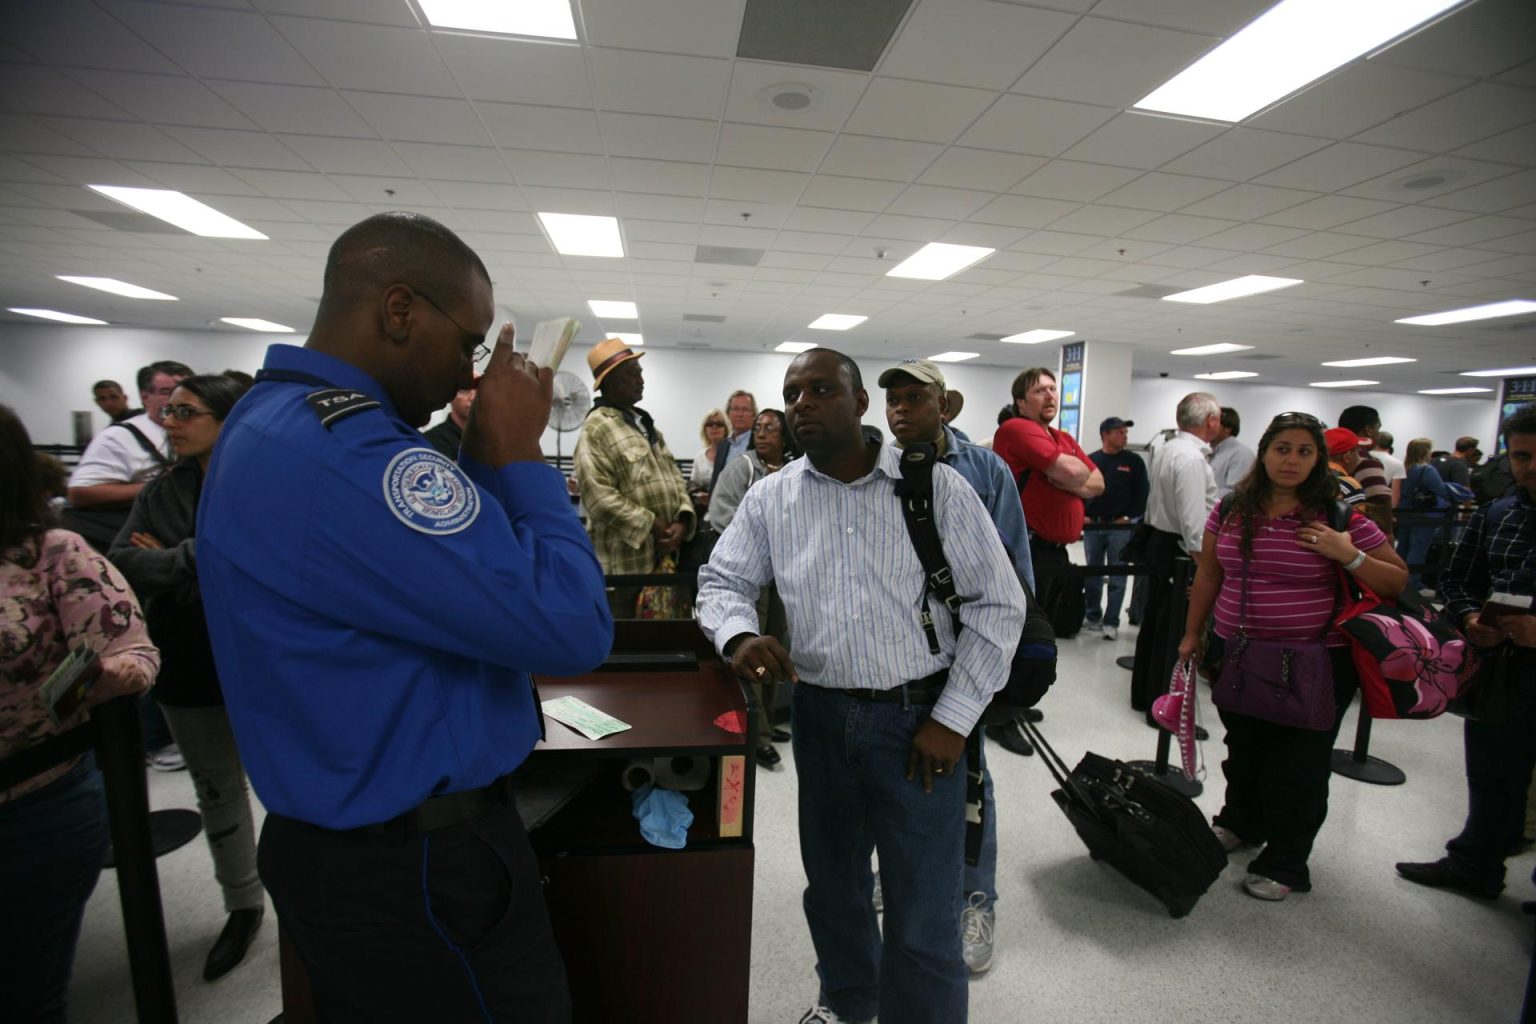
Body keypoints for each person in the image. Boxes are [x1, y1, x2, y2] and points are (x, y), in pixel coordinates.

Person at [196, 212, 613, 1021]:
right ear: (399, 310)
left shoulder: (276, 420)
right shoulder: (353, 457)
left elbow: (439, 587)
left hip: (354, 845)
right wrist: (522, 453)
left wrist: (478, 458)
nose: (471, 367)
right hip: (417, 866)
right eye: (468, 341)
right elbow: (570, 623)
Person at [697, 348, 1025, 1024]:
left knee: (922, 906)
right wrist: (736, 635)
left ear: (860, 403)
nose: (802, 404)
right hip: (819, 718)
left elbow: (999, 604)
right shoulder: (772, 496)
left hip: (917, 722)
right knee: (836, 889)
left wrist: (956, 717)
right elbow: (721, 582)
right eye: (792, 393)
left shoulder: (935, 487)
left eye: (821, 389)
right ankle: (851, 1003)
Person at [1178, 411, 1406, 901]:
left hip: (1315, 661)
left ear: (1319, 459)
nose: (1292, 460)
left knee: (1298, 765)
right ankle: (1241, 822)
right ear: (1264, 453)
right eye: (1283, 448)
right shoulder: (1233, 508)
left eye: (1305, 451)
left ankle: (1286, 859)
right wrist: (1192, 634)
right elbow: (1210, 575)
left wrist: (1347, 554)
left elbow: (1396, 580)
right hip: (1240, 652)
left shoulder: (1338, 516)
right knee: (1245, 750)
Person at [0, 404, 160, 1024]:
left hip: (32, 801)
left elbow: (134, 652)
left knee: (25, 987)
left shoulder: (51, 553)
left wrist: (106, 679)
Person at [109, 373, 267, 983]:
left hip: (261, 659)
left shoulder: (263, 485)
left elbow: (266, 560)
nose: (169, 421)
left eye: (185, 411)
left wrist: (173, 557)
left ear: (227, 420)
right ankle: (242, 904)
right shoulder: (162, 490)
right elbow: (124, 562)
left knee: (283, 784)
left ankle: (298, 892)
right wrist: (199, 556)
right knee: (218, 791)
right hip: (189, 659)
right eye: (166, 410)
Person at [880, 358, 1034, 978]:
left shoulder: (984, 470)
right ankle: (895, 882)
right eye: (892, 401)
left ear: (944, 407)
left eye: (914, 399)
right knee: (894, 778)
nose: (900, 411)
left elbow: (1012, 575)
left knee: (970, 784)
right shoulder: (873, 469)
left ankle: (975, 899)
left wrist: (995, 666)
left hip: (966, 658)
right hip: (896, 662)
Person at [1396, 404, 1536, 902]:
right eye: (1521, 456)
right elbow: (1459, 581)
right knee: (1494, 770)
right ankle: (1476, 864)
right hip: (1505, 668)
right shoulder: (1497, 514)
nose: (1529, 467)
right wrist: (1472, 618)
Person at [68, 359, 193, 772]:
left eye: (186, 398)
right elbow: (82, 492)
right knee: (149, 639)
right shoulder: (124, 441)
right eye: (166, 394)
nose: (175, 409)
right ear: (144, 397)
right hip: (141, 573)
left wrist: (175, 550)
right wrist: (154, 486)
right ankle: (156, 739)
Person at [573, 337, 695, 619]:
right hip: (623, 571)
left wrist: (682, 519)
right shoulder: (597, 428)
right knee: (627, 650)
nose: (641, 379)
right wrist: (651, 523)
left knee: (661, 647)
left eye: (640, 371)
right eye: (632, 374)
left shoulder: (645, 425)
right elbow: (597, 496)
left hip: (662, 562)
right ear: (609, 381)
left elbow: (675, 477)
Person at [707, 408, 799, 768]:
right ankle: (756, 735)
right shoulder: (741, 467)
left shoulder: (795, 470)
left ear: (784, 435)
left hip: (783, 575)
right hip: (751, 575)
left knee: (777, 642)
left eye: (770, 429)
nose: (762, 434)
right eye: (758, 428)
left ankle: (770, 719)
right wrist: (765, 543)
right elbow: (720, 514)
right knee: (755, 645)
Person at [992, 367, 1103, 637]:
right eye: (1039, 391)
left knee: (1044, 629)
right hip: (1028, 549)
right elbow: (1077, 472)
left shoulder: (1060, 437)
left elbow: (1099, 484)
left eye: (1052, 389)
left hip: (1055, 552)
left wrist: (1067, 479)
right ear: (1021, 402)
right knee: (1025, 629)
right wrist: (1074, 479)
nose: (1050, 396)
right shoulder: (1017, 428)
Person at [1130, 393, 1219, 720]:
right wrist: (1205, 568)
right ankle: (1165, 708)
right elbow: (1194, 521)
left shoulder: (1167, 449)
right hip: (1181, 551)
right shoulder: (1191, 459)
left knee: (1155, 624)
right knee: (1175, 630)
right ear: (1210, 420)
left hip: (1161, 543)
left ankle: (1145, 695)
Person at [1084, 416, 1148, 641]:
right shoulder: (1091, 460)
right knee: (1092, 573)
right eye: (1119, 432)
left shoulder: (1134, 462)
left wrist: (1130, 517)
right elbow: (1080, 489)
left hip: (1119, 528)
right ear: (1105, 435)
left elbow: (1142, 493)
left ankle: (1111, 621)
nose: (1124, 436)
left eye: (1125, 432)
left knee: (1118, 575)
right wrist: (1082, 515)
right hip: (1093, 526)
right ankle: (1092, 616)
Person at [1396, 437, 1452, 591]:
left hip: (1404, 511)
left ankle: (1397, 577)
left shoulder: (1404, 468)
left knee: (1403, 546)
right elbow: (1440, 489)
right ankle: (1412, 582)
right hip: (1423, 513)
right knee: (1419, 547)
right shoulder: (1427, 469)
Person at [708, 390, 759, 490]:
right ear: (728, 414)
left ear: (754, 415)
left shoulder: (759, 444)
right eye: (735, 409)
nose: (740, 414)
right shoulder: (722, 446)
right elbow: (715, 483)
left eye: (745, 409)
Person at [420, 374, 477, 459]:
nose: (473, 397)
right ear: (451, 396)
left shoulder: (495, 436)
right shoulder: (435, 440)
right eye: (464, 390)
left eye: (479, 389)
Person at [1209, 407, 1256, 497]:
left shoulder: (1241, 454)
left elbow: (1235, 493)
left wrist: (1200, 494)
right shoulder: (1211, 453)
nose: (1208, 427)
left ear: (1228, 428)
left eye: (1213, 423)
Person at [690, 408, 729, 494]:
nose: (714, 427)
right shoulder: (699, 457)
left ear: (725, 429)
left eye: (719, 424)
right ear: (705, 429)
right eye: (710, 424)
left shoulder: (731, 454)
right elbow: (694, 483)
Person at [1325, 428, 1368, 506]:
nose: (1359, 458)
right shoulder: (1351, 486)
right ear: (1347, 457)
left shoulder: (1308, 478)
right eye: (1357, 452)